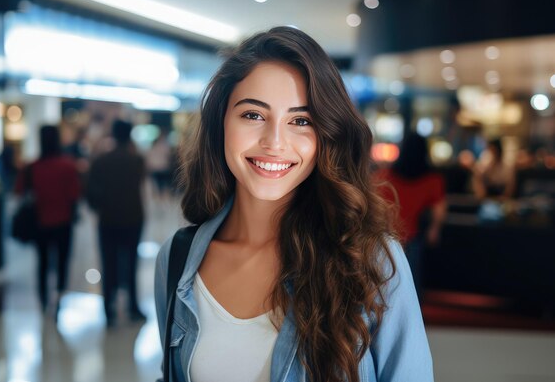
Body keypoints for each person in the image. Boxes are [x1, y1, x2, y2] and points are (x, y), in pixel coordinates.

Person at [154, 27, 433, 382]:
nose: (274, 142)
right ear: (221, 122)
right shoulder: (177, 259)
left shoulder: (371, 261)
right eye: (253, 115)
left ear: (325, 136)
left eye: (300, 121)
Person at [15, 125, 80, 319]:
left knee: (42, 262)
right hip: (63, 221)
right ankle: (59, 297)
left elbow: (19, 192)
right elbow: (75, 194)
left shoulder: (32, 168)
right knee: (62, 262)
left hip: (40, 221)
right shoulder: (68, 166)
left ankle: (43, 300)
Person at [87, 119, 147, 326]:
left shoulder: (101, 161)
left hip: (108, 218)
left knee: (108, 262)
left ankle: (108, 309)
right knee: (130, 263)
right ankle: (132, 307)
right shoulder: (136, 160)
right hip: (132, 217)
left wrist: (99, 206)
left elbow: (90, 191)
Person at [375, 133, 447, 299]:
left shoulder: (385, 175)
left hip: (383, 235)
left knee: (383, 282)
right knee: (411, 280)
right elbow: (439, 210)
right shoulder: (433, 179)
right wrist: (434, 229)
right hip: (412, 236)